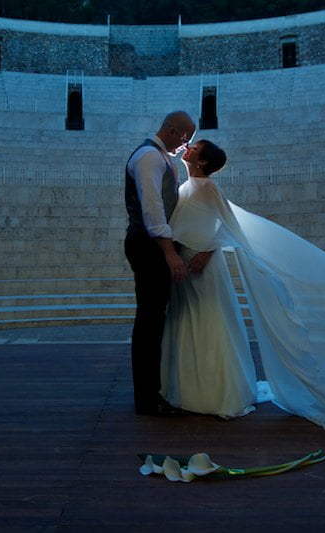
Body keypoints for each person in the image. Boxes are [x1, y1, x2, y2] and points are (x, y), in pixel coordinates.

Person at [159, 140, 325, 436]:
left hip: (203, 265)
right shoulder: (186, 187)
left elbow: (227, 225)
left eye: (195, 147)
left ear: (202, 161)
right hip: (185, 262)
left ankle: (217, 393)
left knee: (210, 320)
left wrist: (207, 251)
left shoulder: (208, 188)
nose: (188, 147)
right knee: (188, 319)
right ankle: (190, 387)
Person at [124, 110, 197, 416]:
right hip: (149, 245)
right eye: (184, 138)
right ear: (170, 130)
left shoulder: (161, 157)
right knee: (149, 322)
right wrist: (169, 251)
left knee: (154, 320)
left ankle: (152, 393)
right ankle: (147, 399)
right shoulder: (149, 157)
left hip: (152, 244)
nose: (185, 145)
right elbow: (153, 208)